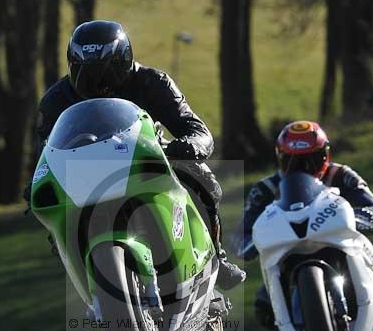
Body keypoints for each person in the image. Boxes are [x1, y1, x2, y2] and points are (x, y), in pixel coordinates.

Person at [32, 19, 245, 290]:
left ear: (124, 59)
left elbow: (195, 127)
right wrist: (35, 181)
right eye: (87, 73)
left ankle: (216, 257)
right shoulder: (55, 100)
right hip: (84, 173)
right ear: (72, 65)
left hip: (144, 158)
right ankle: (86, 277)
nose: (98, 83)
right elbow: (44, 150)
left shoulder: (153, 82)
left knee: (204, 180)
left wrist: (191, 145)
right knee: (52, 210)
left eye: (106, 72)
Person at [232, 120, 373, 331]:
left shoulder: (343, 175)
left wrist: (365, 217)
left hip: (338, 247)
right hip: (290, 255)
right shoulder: (265, 189)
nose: (300, 168)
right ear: (280, 159)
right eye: (291, 161)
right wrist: (247, 243)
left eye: (310, 160)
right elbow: (243, 230)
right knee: (262, 303)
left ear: (325, 156)